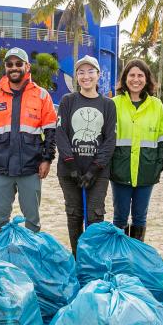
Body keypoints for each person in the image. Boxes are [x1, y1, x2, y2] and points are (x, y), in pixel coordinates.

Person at [0, 47, 57, 233]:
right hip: (0, 168)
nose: (14, 67)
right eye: (9, 64)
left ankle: (30, 258)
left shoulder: (42, 95)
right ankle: (1, 257)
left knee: (32, 223)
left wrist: (47, 159)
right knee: (0, 223)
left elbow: (51, 133)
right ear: (5, 67)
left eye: (18, 64)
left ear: (27, 66)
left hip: (31, 168)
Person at [55, 55, 117, 254]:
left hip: (97, 173)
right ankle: (77, 257)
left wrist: (94, 168)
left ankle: (93, 258)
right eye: (81, 72)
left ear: (98, 75)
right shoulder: (68, 101)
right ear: (76, 76)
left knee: (95, 216)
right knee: (74, 215)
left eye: (91, 71)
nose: (86, 76)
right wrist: (71, 165)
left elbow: (109, 140)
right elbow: (61, 133)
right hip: (69, 171)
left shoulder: (108, 105)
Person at [109, 59, 163, 243]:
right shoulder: (114, 104)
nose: (136, 79)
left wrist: (158, 166)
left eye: (140, 75)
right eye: (132, 75)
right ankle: (119, 256)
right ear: (125, 78)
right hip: (120, 170)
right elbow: (107, 138)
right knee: (120, 217)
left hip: (146, 170)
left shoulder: (157, 105)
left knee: (140, 217)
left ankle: (136, 257)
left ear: (147, 79)